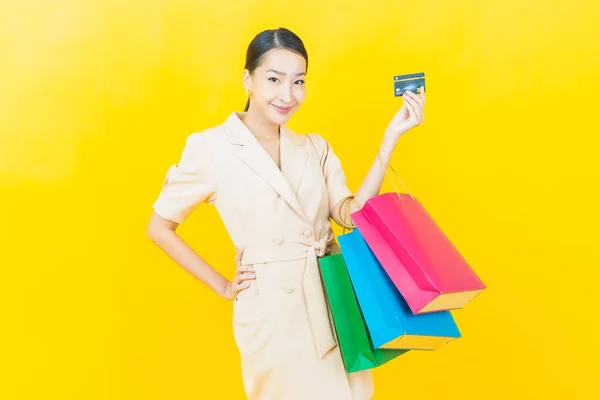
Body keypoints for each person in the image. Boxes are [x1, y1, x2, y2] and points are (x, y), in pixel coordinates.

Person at [146, 27, 425, 400]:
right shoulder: (211, 148)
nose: (288, 94)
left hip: (333, 300)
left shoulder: (313, 147)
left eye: (299, 81)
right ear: (248, 79)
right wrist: (225, 286)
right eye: (274, 79)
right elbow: (159, 227)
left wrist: (391, 137)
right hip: (274, 315)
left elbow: (353, 214)